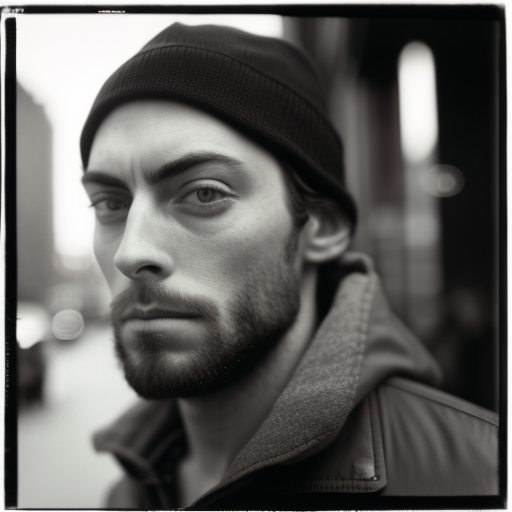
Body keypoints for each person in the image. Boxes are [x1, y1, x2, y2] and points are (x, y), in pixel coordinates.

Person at [79, 23, 498, 509]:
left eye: (204, 193)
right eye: (110, 203)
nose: (130, 253)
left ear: (320, 227)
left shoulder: (479, 479)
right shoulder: (129, 492)